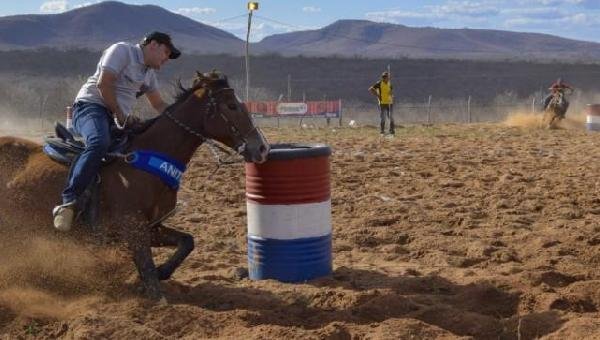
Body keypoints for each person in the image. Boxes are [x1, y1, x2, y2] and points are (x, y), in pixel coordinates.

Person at [52, 31, 181, 231]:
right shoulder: (122, 51)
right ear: (153, 45)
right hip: (91, 108)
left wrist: (180, 119)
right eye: (166, 52)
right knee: (99, 143)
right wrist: (120, 115)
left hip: (117, 119)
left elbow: (159, 104)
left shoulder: (149, 74)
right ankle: (68, 203)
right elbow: (105, 83)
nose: (166, 59)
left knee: (139, 151)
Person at [369, 71, 395, 136]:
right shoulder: (379, 83)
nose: (387, 78)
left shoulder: (390, 84)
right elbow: (371, 89)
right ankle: (382, 131)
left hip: (390, 102)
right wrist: (377, 95)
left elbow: (391, 92)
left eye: (387, 77)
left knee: (391, 117)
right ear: (383, 78)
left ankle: (392, 131)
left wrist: (392, 96)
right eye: (385, 77)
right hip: (382, 103)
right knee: (383, 117)